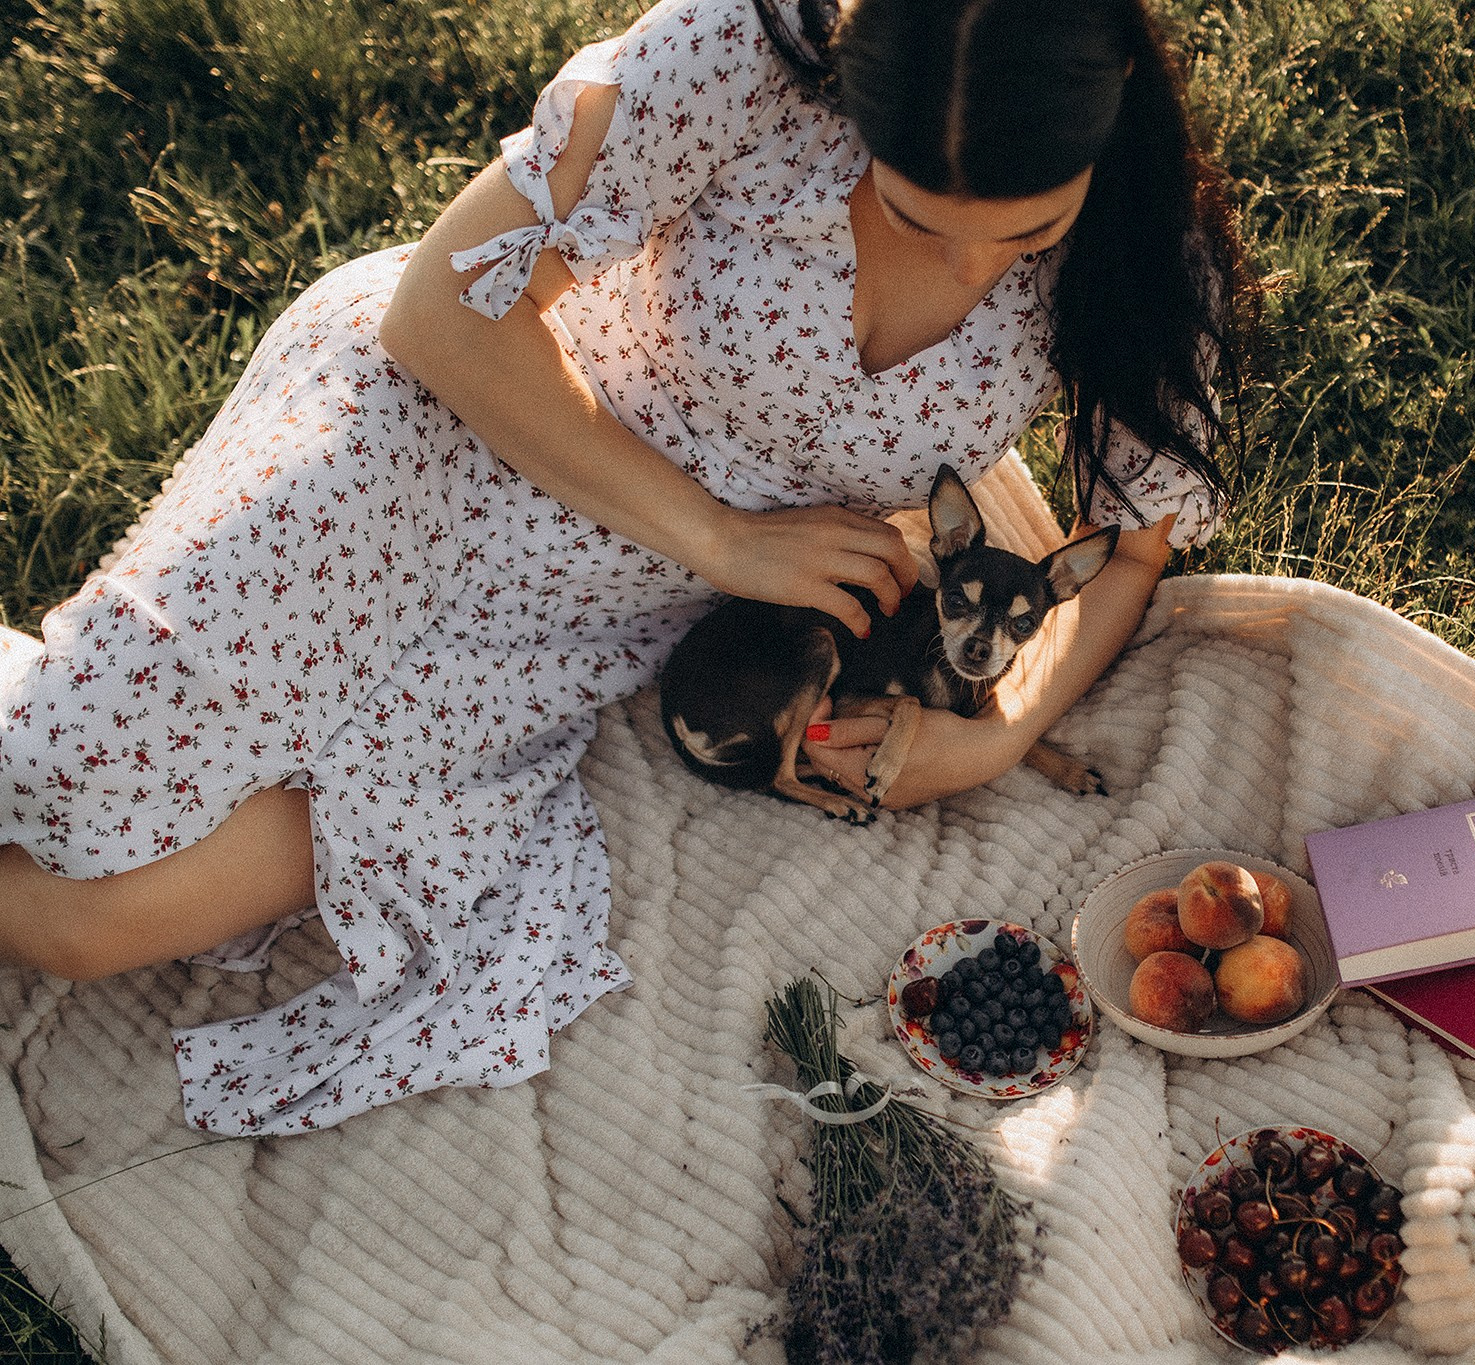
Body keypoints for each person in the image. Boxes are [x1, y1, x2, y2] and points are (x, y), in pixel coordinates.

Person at [0, 0, 1248, 1134]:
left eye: (1028, 233)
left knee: (91, 922)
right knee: (64, 770)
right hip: (441, 434)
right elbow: (441, 313)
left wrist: (988, 735)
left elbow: (1132, 545)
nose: (976, 266)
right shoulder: (731, 63)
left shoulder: (1144, 239)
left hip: (586, 611)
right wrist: (719, 537)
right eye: (917, 212)